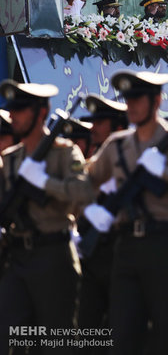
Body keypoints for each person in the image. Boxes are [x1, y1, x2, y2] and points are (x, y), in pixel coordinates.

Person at [86, 70, 168, 354]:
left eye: (138, 98)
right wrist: (89, 210)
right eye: (128, 98)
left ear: (156, 101)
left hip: (164, 245)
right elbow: (85, 182)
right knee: (122, 336)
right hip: (126, 248)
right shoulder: (117, 145)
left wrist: (166, 171)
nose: (131, 105)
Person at [0, 80, 93, 354]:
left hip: (53, 255)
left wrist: (44, 182)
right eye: (12, 109)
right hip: (17, 257)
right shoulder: (11, 158)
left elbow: (84, 191)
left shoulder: (65, 153)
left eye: (21, 109)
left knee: (55, 342)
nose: (13, 115)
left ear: (41, 113)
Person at [76, 94, 128, 354]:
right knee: (87, 335)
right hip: (91, 260)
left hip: (123, 257)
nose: (92, 128)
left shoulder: (134, 166)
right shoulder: (89, 167)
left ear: (118, 128)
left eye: (100, 122)